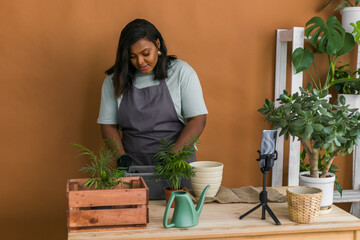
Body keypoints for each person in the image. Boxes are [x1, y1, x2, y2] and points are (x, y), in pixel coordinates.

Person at [97, 19, 207, 168]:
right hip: (133, 165)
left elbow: (198, 120)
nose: (140, 61)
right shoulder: (114, 81)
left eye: (146, 53)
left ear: (158, 44)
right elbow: (108, 125)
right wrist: (121, 159)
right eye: (132, 56)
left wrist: (173, 158)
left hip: (176, 166)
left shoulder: (181, 72)